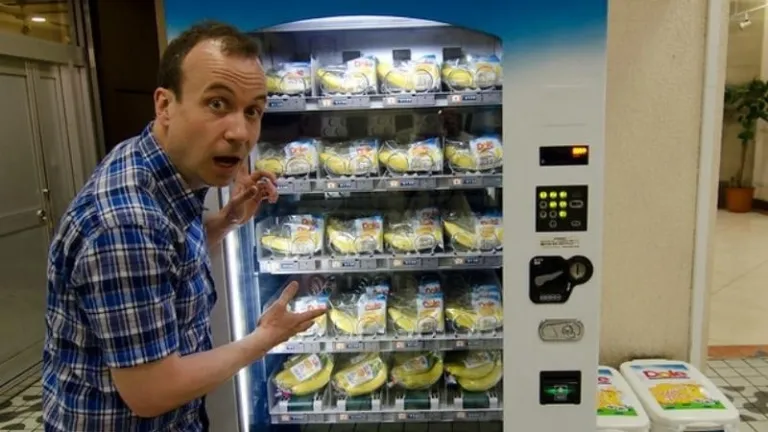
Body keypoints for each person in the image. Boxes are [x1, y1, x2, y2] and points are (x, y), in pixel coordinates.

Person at [42, 21, 324, 431]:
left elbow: (163, 262)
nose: (240, 132)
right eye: (217, 104)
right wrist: (264, 339)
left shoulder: (155, 168)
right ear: (164, 105)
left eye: (253, 111)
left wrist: (225, 222)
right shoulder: (125, 223)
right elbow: (152, 391)